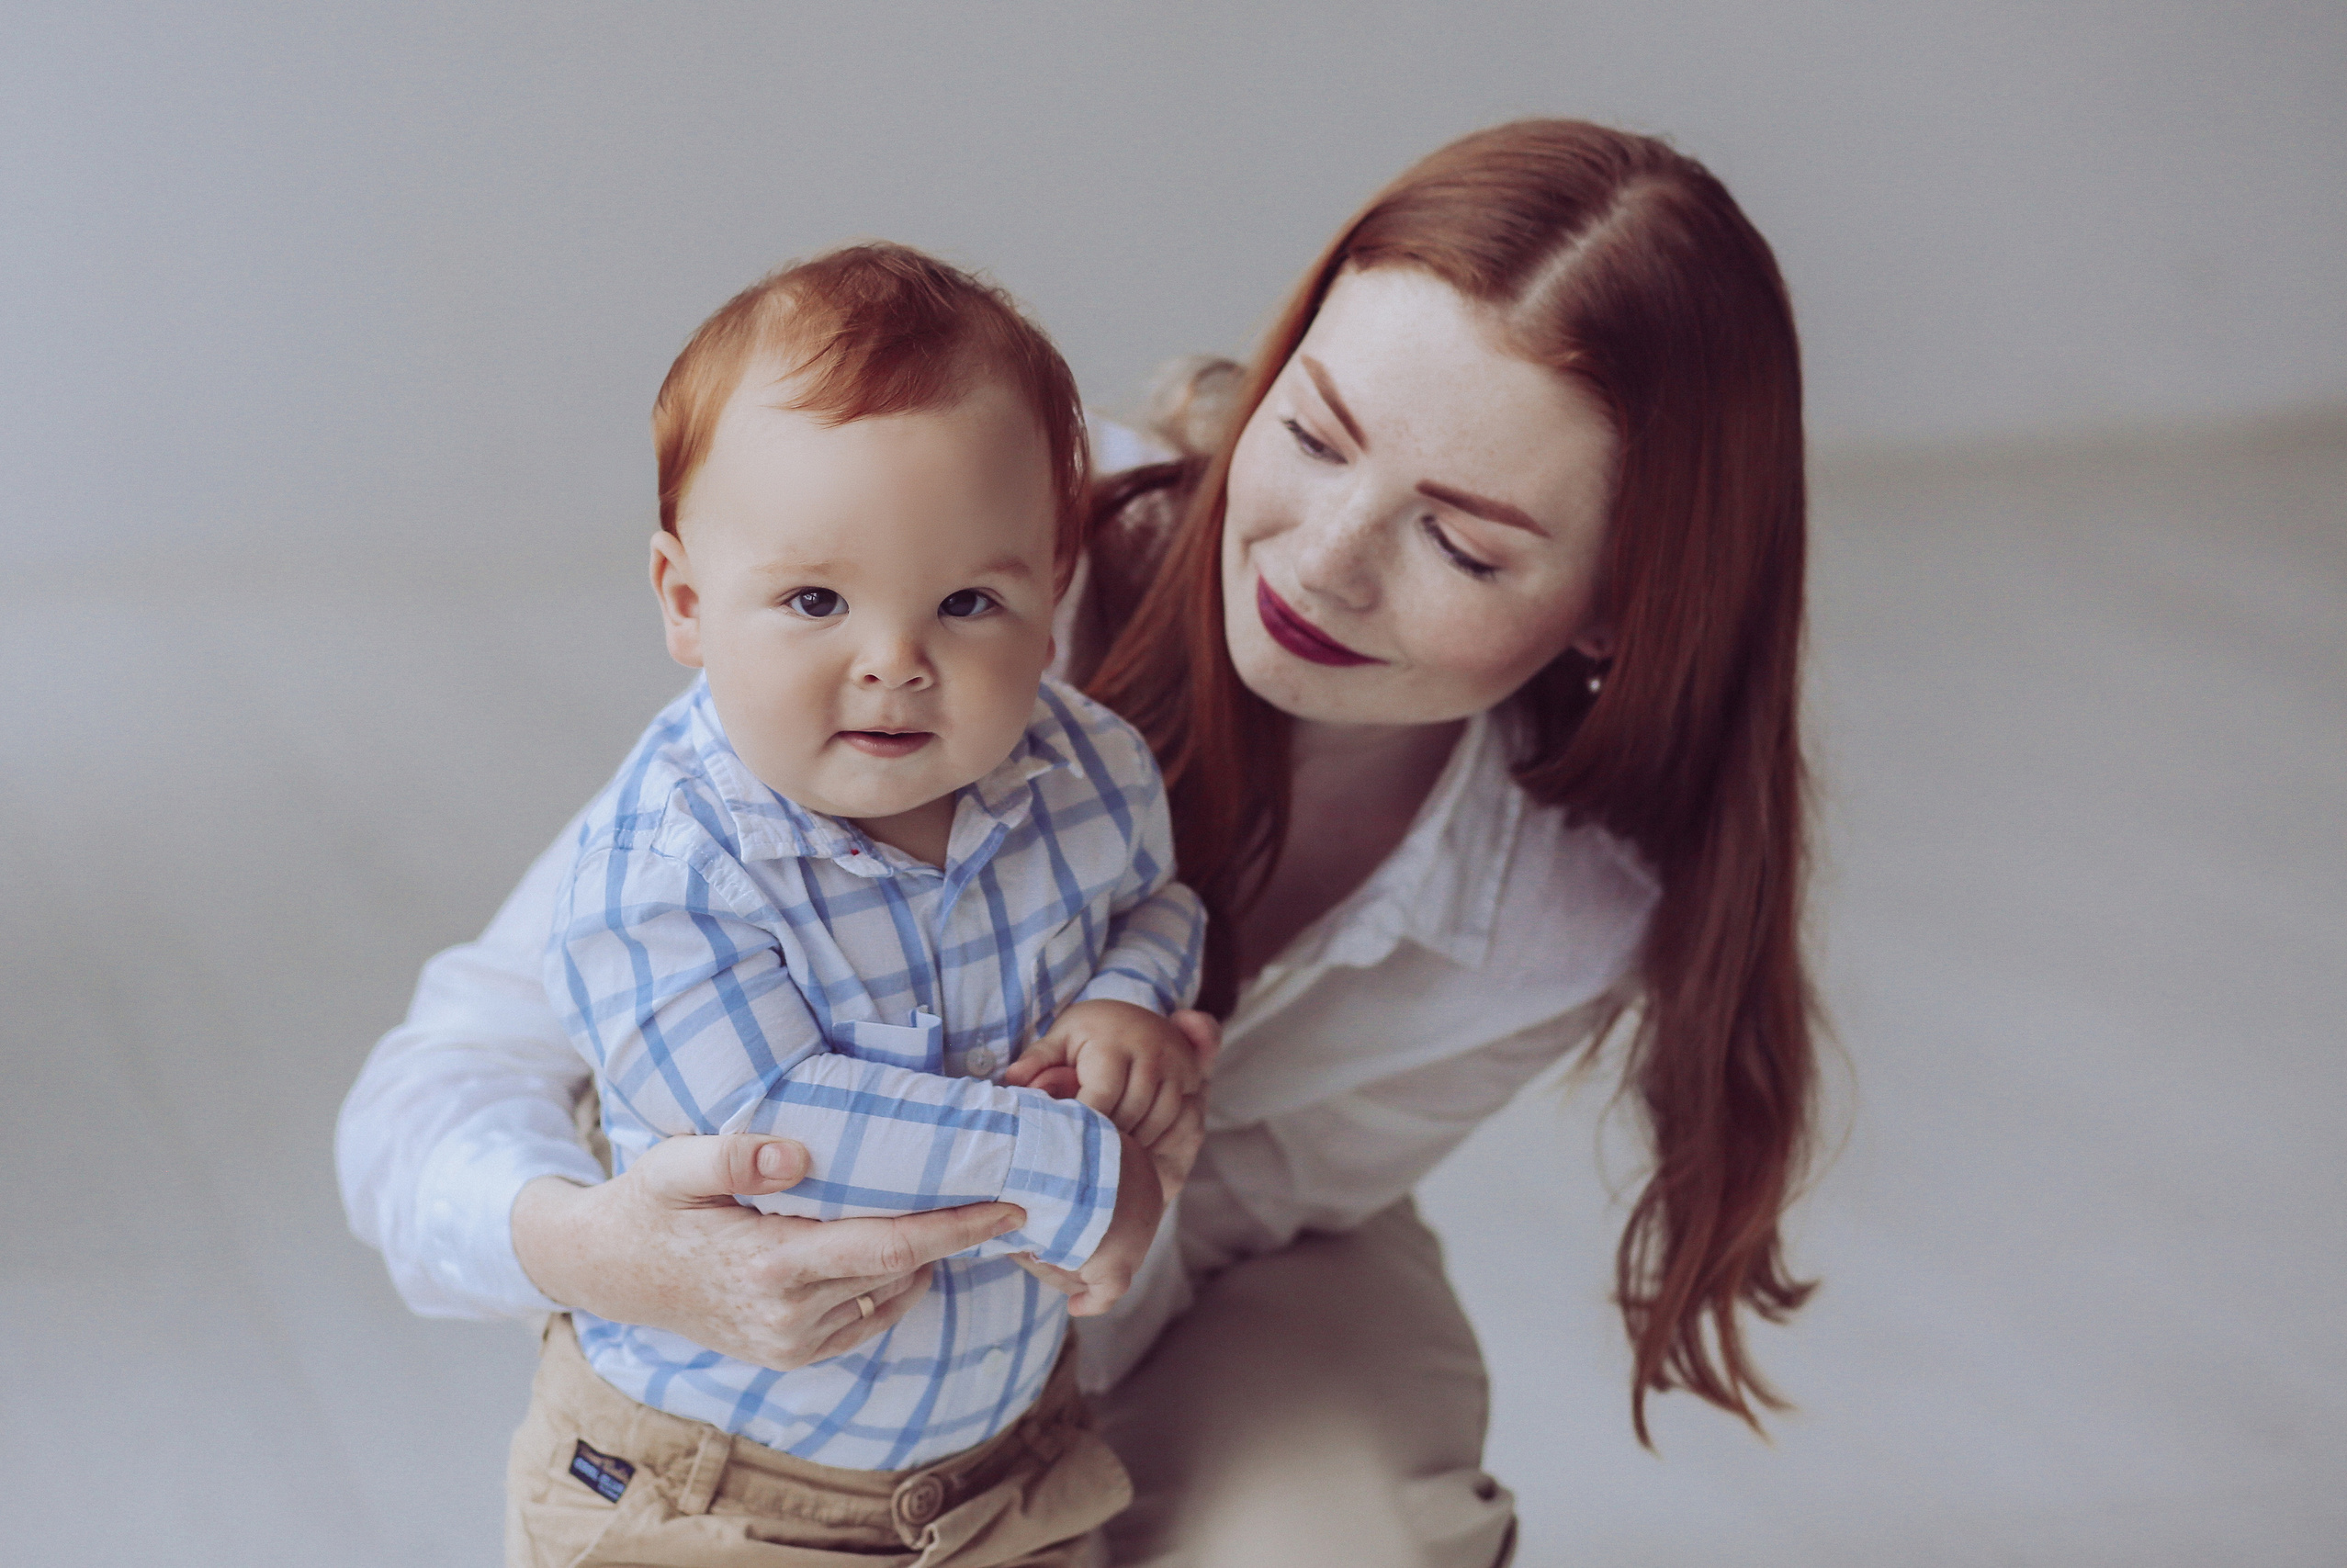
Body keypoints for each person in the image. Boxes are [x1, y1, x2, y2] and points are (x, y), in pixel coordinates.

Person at [339, 117, 1820, 1568]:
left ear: (1626, 604)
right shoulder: (949, 541)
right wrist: (610, 1254)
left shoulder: (1562, 911)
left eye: (1465, 543)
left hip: (1152, 1307)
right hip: (842, 1362)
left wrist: (1107, 1184)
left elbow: (1230, 1210)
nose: (1319, 558)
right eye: (1309, 435)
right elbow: (451, 1079)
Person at [512, 243, 1211, 1565]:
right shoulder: (665, 865)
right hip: (716, 1486)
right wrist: (1081, 1174)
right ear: (686, 601)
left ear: (1052, 592)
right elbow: (778, 1129)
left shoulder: (1089, 773)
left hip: (1010, 1458)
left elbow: (1157, 908)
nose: (895, 662)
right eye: (817, 599)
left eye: (967, 602)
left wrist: (1132, 1000)